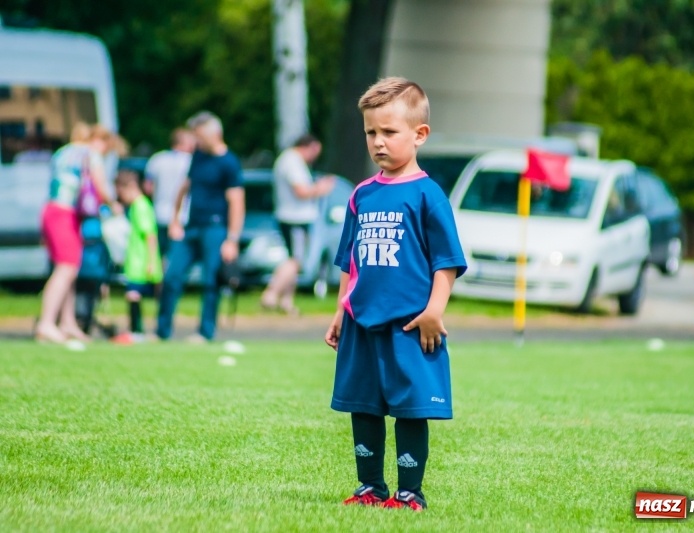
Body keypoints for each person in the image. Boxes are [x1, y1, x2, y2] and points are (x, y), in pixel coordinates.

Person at [324, 77, 467, 511]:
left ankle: (409, 493)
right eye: (371, 132)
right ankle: (370, 487)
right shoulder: (361, 195)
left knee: (410, 409)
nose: (378, 142)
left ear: (419, 134)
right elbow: (351, 262)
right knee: (362, 407)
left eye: (389, 132)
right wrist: (339, 310)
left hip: (409, 326)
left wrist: (433, 311)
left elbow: (447, 261)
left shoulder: (427, 195)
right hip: (362, 324)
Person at [156, 111, 244, 343]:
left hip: (216, 229)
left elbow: (236, 202)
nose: (196, 140)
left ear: (214, 134)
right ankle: (161, 331)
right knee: (172, 275)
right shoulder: (198, 156)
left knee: (210, 281)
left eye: (199, 135)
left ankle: (206, 332)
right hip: (191, 227)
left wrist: (232, 240)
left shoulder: (229, 163)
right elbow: (184, 187)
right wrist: (175, 220)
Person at [36, 123, 118, 344]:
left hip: (50, 210)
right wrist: (114, 205)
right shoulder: (90, 154)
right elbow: (101, 187)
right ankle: (46, 323)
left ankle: (68, 323)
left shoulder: (62, 152)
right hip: (65, 213)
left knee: (67, 269)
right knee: (67, 268)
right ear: (101, 141)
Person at [260, 134, 335, 314]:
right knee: (296, 260)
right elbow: (301, 191)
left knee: (293, 259)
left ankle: (287, 302)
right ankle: (271, 294)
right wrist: (321, 189)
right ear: (308, 147)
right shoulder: (292, 161)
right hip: (295, 218)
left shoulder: (288, 160)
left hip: (291, 216)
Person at [115, 170, 163, 335]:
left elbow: (150, 236)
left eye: (121, 192)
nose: (121, 197)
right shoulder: (136, 206)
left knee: (133, 294)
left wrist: (150, 262)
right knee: (134, 294)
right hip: (135, 261)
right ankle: (137, 330)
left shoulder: (141, 206)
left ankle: (137, 331)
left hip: (141, 262)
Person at [143, 128, 196, 258]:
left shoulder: (157, 159)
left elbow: (148, 188)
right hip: (183, 217)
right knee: (177, 258)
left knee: (158, 256)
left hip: (159, 214)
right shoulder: (191, 162)